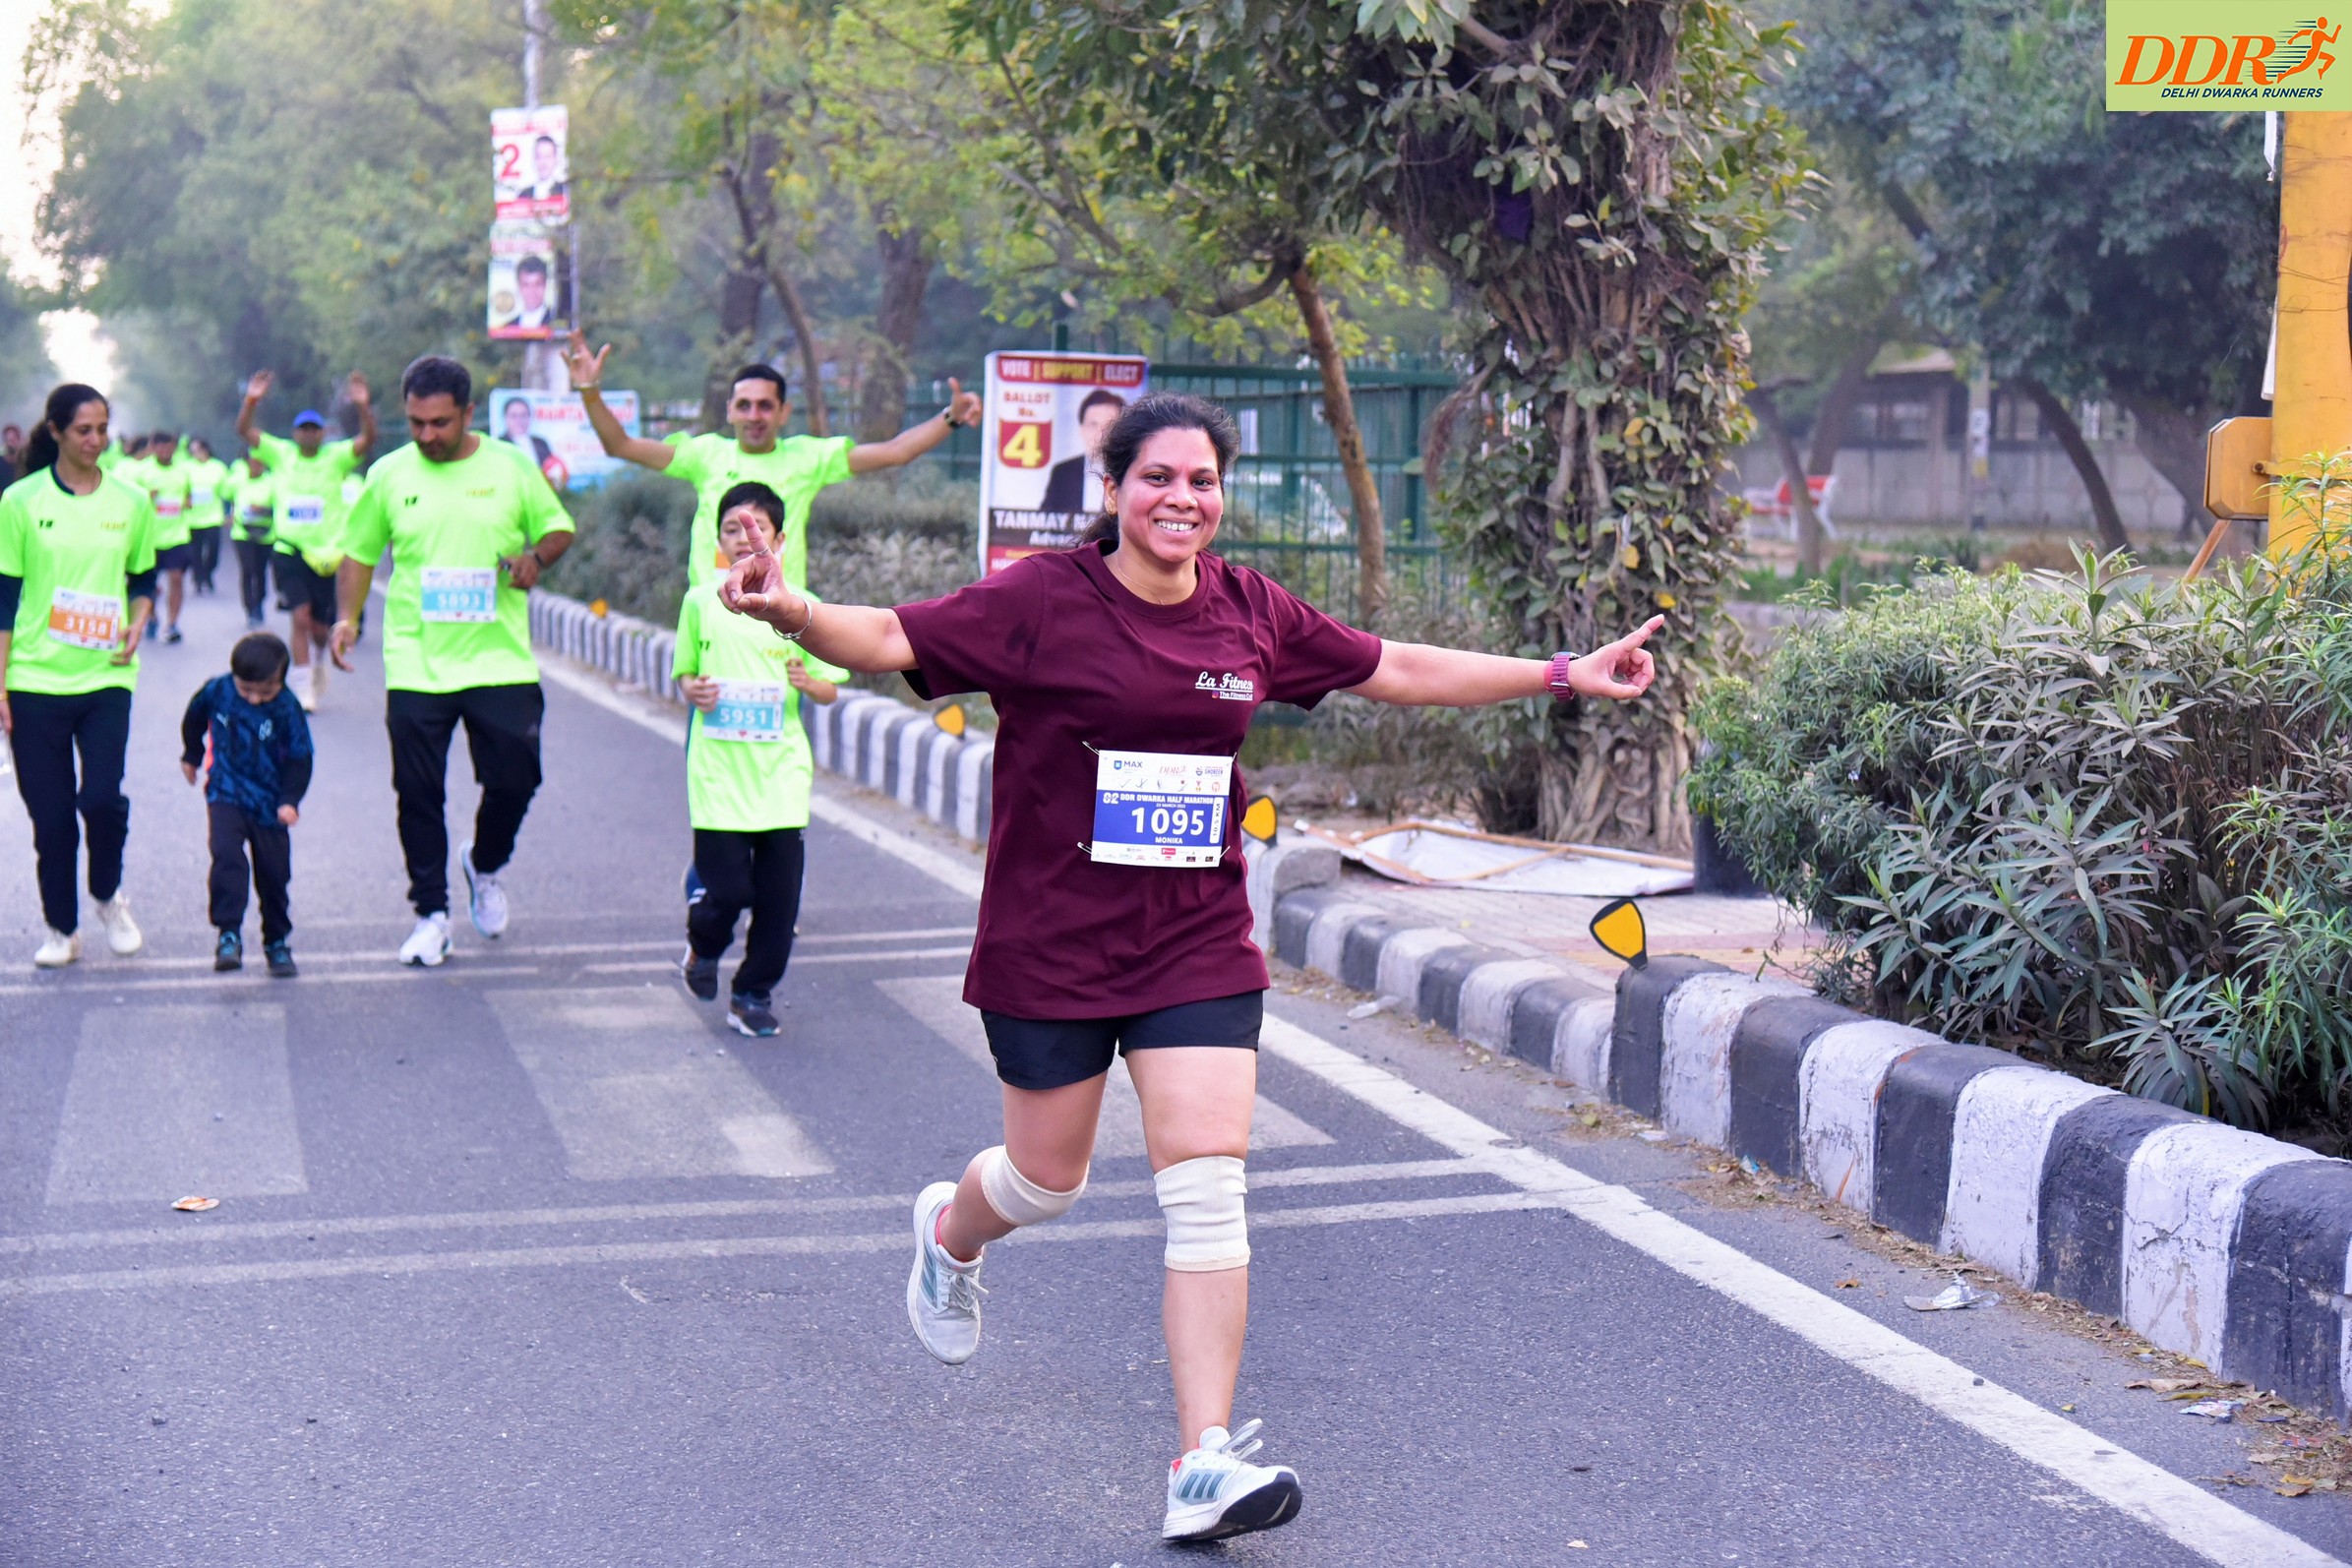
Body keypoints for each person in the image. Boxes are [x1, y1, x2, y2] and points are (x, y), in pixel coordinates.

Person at [718, 392, 1664, 1544]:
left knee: (1210, 1184)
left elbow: (1394, 665)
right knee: (1045, 1181)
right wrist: (794, 610)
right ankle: (950, 1237)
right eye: (1158, 478)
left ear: (1222, 495)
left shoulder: (1249, 610)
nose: (1182, 498)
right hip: (1051, 942)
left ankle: (1201, 1461)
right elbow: (890, 639)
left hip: (1195, 938)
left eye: (1202, 480)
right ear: (1113, 489)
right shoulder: (1040, 599)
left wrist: (1563, 672)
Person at [330, 354, 574, 968]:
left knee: (516, 780)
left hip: (499, 660)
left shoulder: (511, 467)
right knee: (417, 792)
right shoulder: (389, 474)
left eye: (439, 423)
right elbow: (359, 552)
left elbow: (557, 528)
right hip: (417, 661)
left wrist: (535, 560)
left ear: (468, 413)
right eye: (416, 422)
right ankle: (432, 915)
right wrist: (347, 618)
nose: (426, 435)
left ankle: (484, 865)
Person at [565, 332, 984, 587]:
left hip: (778, 620)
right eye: (744, 405)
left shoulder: (808, 457)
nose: (754, 416)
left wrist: (950, 418)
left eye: (765, 406)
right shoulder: (704, 454)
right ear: (730, 410)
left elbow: (896, 452)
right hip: (714, 616)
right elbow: (620, 445)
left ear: (784, 412)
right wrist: (589, 391)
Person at [673, 481, 845, 1038]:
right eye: (731, 529)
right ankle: (703, 946)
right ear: (718, 540)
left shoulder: (801, 606)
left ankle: (752, 993)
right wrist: (693, 691)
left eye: (756, 529)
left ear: (780, 539)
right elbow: (684, 673)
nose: (743, 538)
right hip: (718, 774)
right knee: (728, 892)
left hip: (781, 777)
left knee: (778, 903)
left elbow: (830, 686)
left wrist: (809, 682)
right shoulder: (700, 601)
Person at [0, 383, 159, 967]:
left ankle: (108, 895)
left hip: (106, 677)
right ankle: (60, 928)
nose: (96, 441)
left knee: (100, 799)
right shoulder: (20, 502)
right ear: (56, 432)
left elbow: (143, 579)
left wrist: (138, 621)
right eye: (84, 430)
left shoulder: (131, 502)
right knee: (52, 819)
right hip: (35, 680)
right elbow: (4, 600)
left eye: (103, 429)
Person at [236, 370, 377, 710]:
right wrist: (251, 401)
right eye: (304, 429)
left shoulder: (336, 457)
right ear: (295, 433)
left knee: (319, 629)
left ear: (322, 433)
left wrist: (362, 406)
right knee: (299, 617)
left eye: (315, 429)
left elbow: (368, 439)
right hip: (290, 549)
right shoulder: (281, 454)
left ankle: (316, 663)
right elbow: (245, 431)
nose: (309, 434)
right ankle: (303, 689)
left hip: (327, 555)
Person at [180, 630, 311, 978]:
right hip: (226, 792)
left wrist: (290, 800)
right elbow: (194, 718)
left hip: (270, 802)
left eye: (265, 692)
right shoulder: (218, 691)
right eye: (246, 690)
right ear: (234, 676)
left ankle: (276, 941)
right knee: (226, 857)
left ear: (280, 681)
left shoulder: (287, 707)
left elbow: (301, 757)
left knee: (274, 874)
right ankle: (228, 934)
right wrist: (192, 754)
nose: (254, 699)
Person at [133, 430, 195, 644]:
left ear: (175, 447)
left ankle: (173, 624)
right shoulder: (142, 473)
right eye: (160, 446)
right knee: (149, 584)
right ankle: (151, 617)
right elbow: (132, 502)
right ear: (153, 447)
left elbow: (188, 496)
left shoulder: (183, 472)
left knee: (176, 578)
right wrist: (146, 497)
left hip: (177, 535)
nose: (165, 450)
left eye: (169, 446)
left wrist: (188, 502)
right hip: (150, 538)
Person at [1040, 388, 1128, 513]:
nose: (1100, 434)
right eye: (1093, 425)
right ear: (1081, 430)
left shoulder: (1129, 474)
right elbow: (1045, 521)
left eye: (1109, 426)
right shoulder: (1062, 473)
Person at [221, 453, 276, 630]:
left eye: (259, 463)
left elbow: (280, 506)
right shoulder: (237, 481)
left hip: (265, 533)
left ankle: (259, 603)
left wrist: (263, 509)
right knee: (247, 569)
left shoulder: (272, 482)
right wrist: (228, 514)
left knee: (260, 571)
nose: (256, 466)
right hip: (242, 533)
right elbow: (225, 495)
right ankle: (250, 608)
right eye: (252, 463)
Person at [183, 435, 230, 596]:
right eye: (193, 451)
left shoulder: (218, 467)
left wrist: (229, 512)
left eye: (198, 450)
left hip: (213, 517)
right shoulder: (186, 468)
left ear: (206, 449)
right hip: (193, 518)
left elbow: (227, 491)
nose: (196, 453)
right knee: (195, 552)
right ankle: (198, 578)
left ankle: (207, 572)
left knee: (213, 550)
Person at [512, 257, 553, 332]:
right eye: (526, 285)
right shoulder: (509, 327)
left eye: (538, 284)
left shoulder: (556, 323)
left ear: (545, 285)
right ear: (519, 287)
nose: (532, 291)